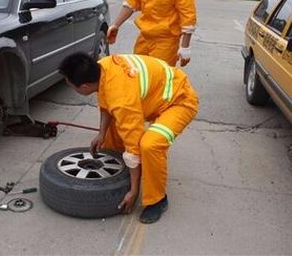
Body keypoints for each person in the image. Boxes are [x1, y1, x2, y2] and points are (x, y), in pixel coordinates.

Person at [59, 51, 199, 224]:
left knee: (149, 145)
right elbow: (106, 105)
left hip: (179, 102)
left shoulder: (122, 99)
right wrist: (101, 133)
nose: (70, 88)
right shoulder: (103, 66)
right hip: (156, 96)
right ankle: (121, 174)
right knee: (112, 131)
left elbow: (134, 147)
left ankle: (158, 200)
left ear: (85, 87)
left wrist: (134, 191)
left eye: (71, 86)